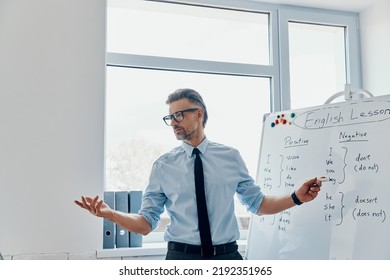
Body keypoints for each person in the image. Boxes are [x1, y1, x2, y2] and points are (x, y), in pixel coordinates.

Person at [75, 88, 322, 260]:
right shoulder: (163, 166)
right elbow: (145, 224)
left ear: (199, 114)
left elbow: (258, 204)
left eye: (179, 115)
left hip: (228, 258)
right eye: (170, 117)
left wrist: (296, 197)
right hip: (181, 258)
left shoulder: (230, 157)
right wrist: (110, 214)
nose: (173, 122)